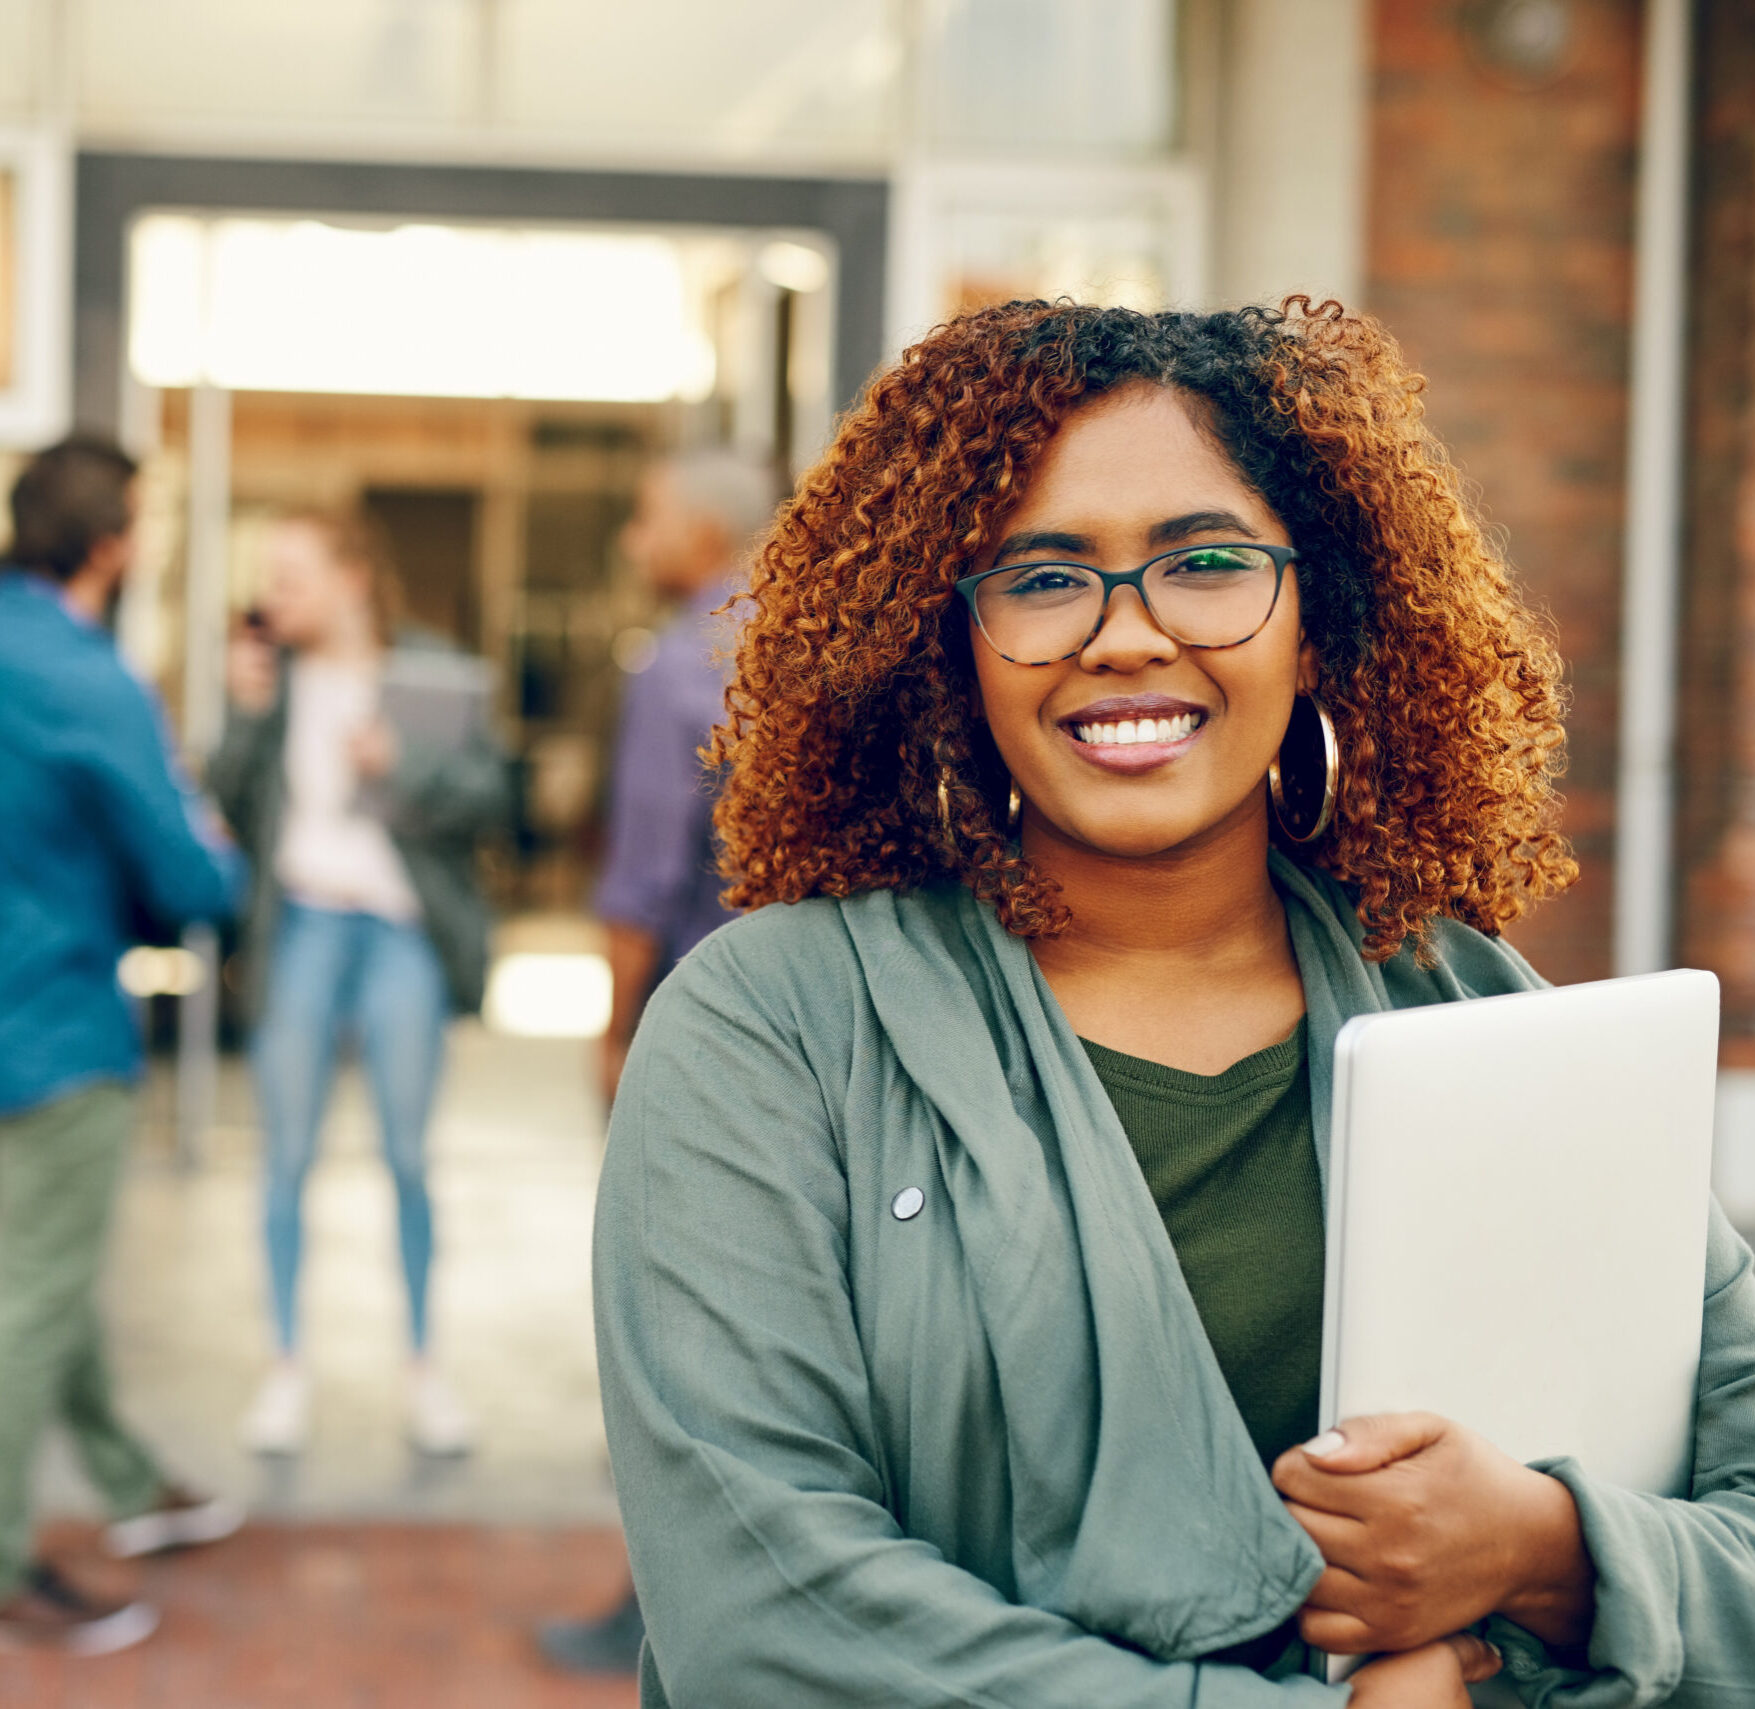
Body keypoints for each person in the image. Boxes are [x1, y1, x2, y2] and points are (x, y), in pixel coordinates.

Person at [597, 299, 1755, 1707]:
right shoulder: (770, 1033)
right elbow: (760, 1614)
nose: (1125, 637)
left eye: (1205, 564)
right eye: (1040, 578)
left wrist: (1543, 1549)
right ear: (945, 646)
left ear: (1314, 625)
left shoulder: (1464, 1007)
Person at [0, 435, 248, 1656]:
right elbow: (188, 876)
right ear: (112, 540)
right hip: (51, 1024)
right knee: (34, 1298)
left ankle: (126, 1482)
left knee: (41, 1275)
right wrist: (217, 844)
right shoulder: (87, 676)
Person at [539, 449, 778, 1677]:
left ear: (699, 530)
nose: (635, 540)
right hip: (819, 1025)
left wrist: (611, 1033)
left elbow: (639, 879)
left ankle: (661, 1608)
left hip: (705, 1027)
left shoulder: (683, 663)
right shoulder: (813, 647)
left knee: (677, 1331)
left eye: (643, 517)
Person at [210, 510, 508, 1457]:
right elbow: (218, 801)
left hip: (397, 934)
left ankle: (423, 1370)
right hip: (301, 924)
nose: (271, 598)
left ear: (351, 578)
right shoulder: (270, 676)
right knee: (285, 1155)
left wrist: (400, 766)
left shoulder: (430, 670)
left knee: (409, 1157)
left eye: (291, 576)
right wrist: (245, 716)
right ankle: (285, 1369)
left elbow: (494, 799)